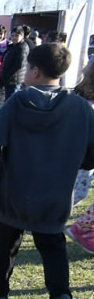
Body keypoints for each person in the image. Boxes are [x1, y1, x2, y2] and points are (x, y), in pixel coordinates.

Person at [0, 43, 94, 299]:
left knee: (6, 247)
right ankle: (61, 297)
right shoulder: (80, 109)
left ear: (35, 70)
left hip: (15, 193)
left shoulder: (15, 104)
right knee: (53, 248)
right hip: (56, 196)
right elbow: (92, 152)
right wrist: (75, 160)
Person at [65, 57, 94, 255]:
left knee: (79, 192)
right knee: (76, 191)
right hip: (81, 156)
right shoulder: (82, 100)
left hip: (86, 156)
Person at [0, 26, 30, 101]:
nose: (14, 37)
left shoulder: (22, 47)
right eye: (12, 35)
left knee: (10, 101)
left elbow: (19, 64)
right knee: (8, 99)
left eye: (17, 35)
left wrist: (8, 75)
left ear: (22, 36)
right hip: (9, 79)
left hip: (14, 79)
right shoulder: (13, 46)